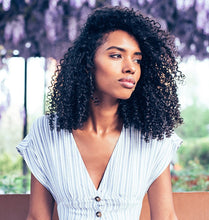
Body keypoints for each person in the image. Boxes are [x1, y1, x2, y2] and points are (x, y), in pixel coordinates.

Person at [17, 6, 184, 220]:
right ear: (87, 64)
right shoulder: (46, 132)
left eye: (137, 59)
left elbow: (166, 217)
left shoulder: (153, 135)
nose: (130, 67)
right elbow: (37, 217)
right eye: (116, 55)